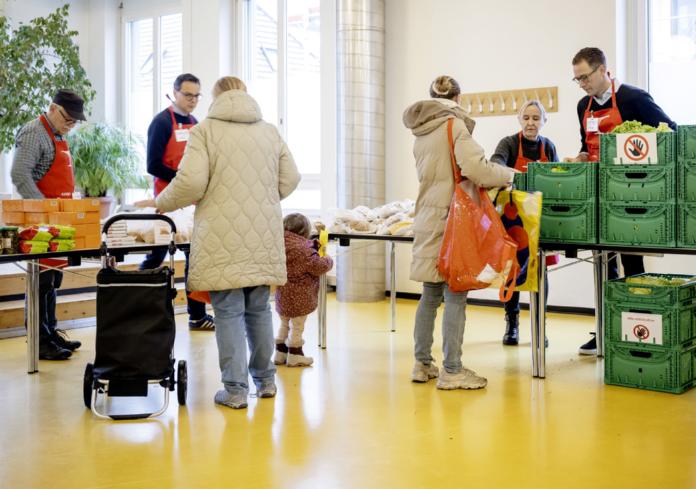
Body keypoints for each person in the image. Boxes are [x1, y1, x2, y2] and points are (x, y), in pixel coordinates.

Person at [154, 76, 301, 409]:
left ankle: (235, 390)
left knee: (229, 312)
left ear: (215, 97)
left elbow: (191, 183)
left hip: (221, 235)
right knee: (259, 309)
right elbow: (291, 178)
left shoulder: (205, 131)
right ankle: (266, 382)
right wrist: (264, 198)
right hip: (262, 232)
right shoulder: (269, 131)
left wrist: (162, 202)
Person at [403, 75, 515, 390]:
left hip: (428, 215)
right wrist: (508, 175)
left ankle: (422, 363)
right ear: (458, 98)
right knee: (456, 292)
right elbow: (477, 170)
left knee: (429, 294)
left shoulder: (421, 131)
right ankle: (452, 370)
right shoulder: (454, 126)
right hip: (453, 220)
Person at [565, 47, 676, 355]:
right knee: (603, 264)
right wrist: (580, 157)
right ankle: (605, 329)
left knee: (632, 262)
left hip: (632, 195)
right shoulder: (583, 106)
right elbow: (586, 145)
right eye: (577, 79)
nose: (582, 84)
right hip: (599, 195)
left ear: (603, 70)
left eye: (585, 77)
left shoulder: (633, 98)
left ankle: (639, 325)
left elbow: (670, 132)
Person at [10, 89, 86, 360]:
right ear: (53, 108)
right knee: (40, 281)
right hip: (40, 221)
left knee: (52, 279)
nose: (70, 125)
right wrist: (43, 210)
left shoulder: (58, 134)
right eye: (67, 118)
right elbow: (20, 174)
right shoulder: (34, 132)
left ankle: (50, 332)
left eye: (75, 121)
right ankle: (40, 341)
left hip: (57, 220)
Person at [140, 73, 215, 331]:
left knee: (195, 260)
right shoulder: (161, 122)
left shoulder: (195, 124)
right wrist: (182, 180)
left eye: (197, 96)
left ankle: (197, 316)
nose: (193, 100)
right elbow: (152, 165)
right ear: (175, 93)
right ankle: (137, 308)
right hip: (167, 202)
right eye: (188, 95)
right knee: (156, 257)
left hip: (191, 204)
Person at [491, 99, 557, 346]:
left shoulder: (548, 146)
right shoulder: (508, 143)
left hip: (539, 218)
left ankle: (540, 325)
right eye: (526, 118)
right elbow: (495, 164)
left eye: (536, 118)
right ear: (519, 120)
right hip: (514, 219)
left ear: (543, 121)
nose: (531, 123)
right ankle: (512, 323)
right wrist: (516, 173)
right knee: (512, 271)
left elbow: (557, 177)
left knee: (540, 272)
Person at [273, 213, 334, 367]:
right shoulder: (305, 249)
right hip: (300, 297)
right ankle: (295, 355)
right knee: (297, 326)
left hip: (282, 295)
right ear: (305, 231)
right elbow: (319, 266)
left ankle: (280, 354)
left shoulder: (278, 243)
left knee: (284, 324)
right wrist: (327, 258)